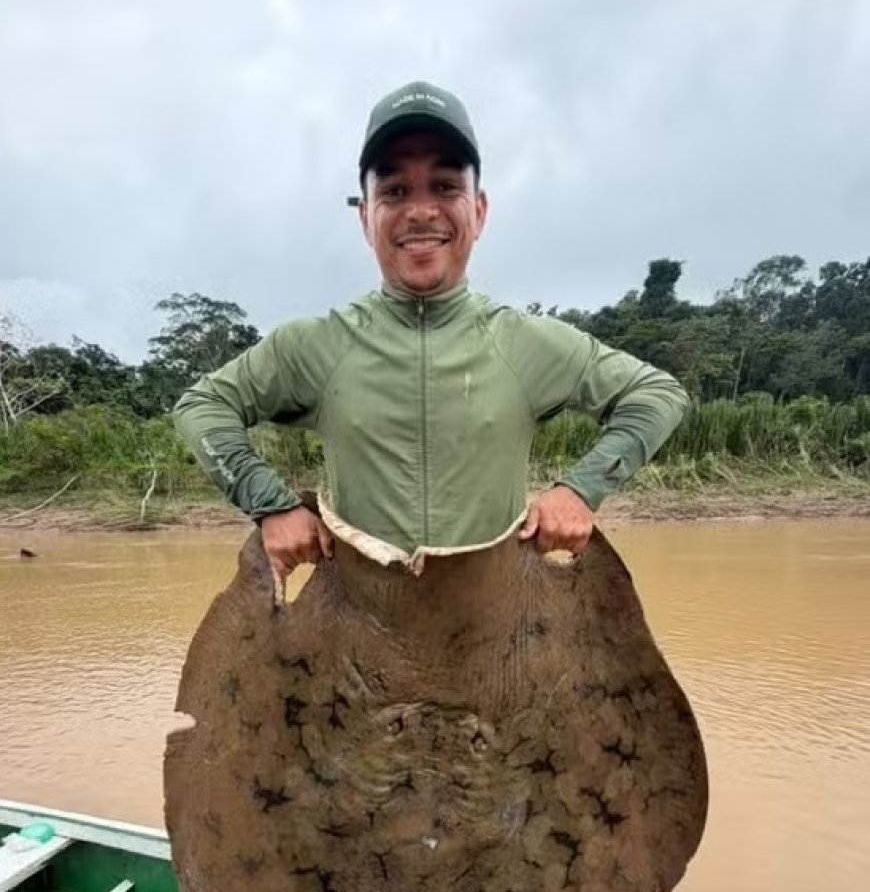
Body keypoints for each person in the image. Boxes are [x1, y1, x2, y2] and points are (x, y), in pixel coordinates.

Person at [174, 81, 688, 578]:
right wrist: (270, 503)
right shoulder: (313, 346)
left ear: (478, 211)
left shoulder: (526, 344)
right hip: (357, 623)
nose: (420, 211)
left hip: (495, 622)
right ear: (365, 218)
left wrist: (580, 489)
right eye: (395, 191)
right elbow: (202, 406)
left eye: (445, 187)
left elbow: (657, 394)